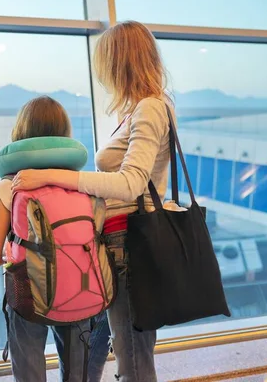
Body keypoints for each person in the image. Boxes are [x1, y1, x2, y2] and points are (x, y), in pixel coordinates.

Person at [11, 20, 175, 382]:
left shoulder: (150, 107)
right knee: (97, 347)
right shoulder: (135, 110)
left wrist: (53, 177)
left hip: (131, 246)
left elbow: (131, 183)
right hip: (110, 245)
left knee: (132, 358)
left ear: (119, 62)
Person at [0, 95, 91, 382]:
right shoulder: (80, 186)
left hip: (28, 297)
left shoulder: (11, 188)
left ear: (21, 134)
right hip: (79, 293)